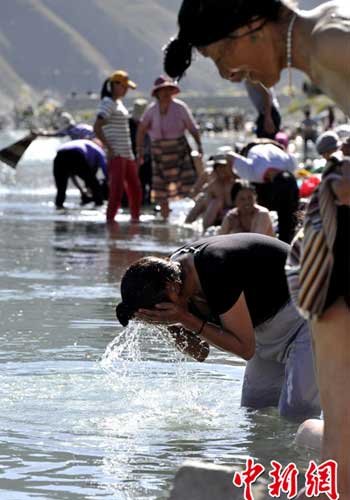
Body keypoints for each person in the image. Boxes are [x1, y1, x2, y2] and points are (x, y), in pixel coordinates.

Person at [163, 2, 350, 496]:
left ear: (249, 25)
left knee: (327, 440)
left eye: (219, 54)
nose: (226, 73)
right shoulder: (317, 49)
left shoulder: (332, 40)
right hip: (325, 272)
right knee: (327, 442)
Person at [116, 234, 321, 420]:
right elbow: (201, 352)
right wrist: (171, 324)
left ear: (172, 289)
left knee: (296, 413)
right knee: (255, 412)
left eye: (158, 311)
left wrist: (184, 318)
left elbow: (245, 349)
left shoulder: (216, 267)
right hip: (262, 328)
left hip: (310, 313)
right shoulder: (170, 280)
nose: (158, 316)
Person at [136, 75, 203, 220]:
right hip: (158, 152)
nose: (165, 93)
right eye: (162, 90)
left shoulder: (180, 107)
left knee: (189, 184)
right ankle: (165, 217)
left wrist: (199, 145)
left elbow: (192, 128)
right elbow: (141, 129)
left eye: (168, 90)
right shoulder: (151, 110)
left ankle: (195, 215)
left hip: (179, 151)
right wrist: (139, 151)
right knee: (160, 189)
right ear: (157, 93)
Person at [93, 70, 142, 223]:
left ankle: (135, 220)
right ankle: (110, 222)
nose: (126, 90)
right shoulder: (107, 103)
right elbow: (97, 126)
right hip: (117, 154)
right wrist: (109, 148)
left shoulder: (118, 103)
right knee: (117, 191)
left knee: (135, 189)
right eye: (124, 86)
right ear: (114, 85)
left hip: (127, 154)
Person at [227, 139, 298, 243]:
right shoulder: (252, 172)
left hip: (275, 155)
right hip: (280, 170)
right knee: (286, 217)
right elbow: (230, 155)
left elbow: (229, 154)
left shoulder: (253, 171)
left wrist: (233, 174)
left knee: (285, 214)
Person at [53, 139, 107, 209]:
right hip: (75, 155)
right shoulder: (95, 147)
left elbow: (72, 174)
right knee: (94, 184)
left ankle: (58, 209)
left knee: (61, 189)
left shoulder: (80, 144)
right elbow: (104, 165)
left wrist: (81, 190)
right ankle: (99, 205)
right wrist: (108, 179)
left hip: (59, 157)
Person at [185, 157, 236, 231]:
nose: (222, 170)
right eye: (219, 168)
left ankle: (204, 229)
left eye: (224, 167)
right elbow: (195, 190)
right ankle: (188, 224)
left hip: (228, 209)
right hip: (212, 208)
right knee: (204, 198)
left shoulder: (234, 181)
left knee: (216, 202)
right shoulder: (212, 180)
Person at [129, 98, 152, 205]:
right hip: (133, 158)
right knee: (139, 184)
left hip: (149, 158)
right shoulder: (129, 124)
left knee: (151, 183)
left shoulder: (151, 123)